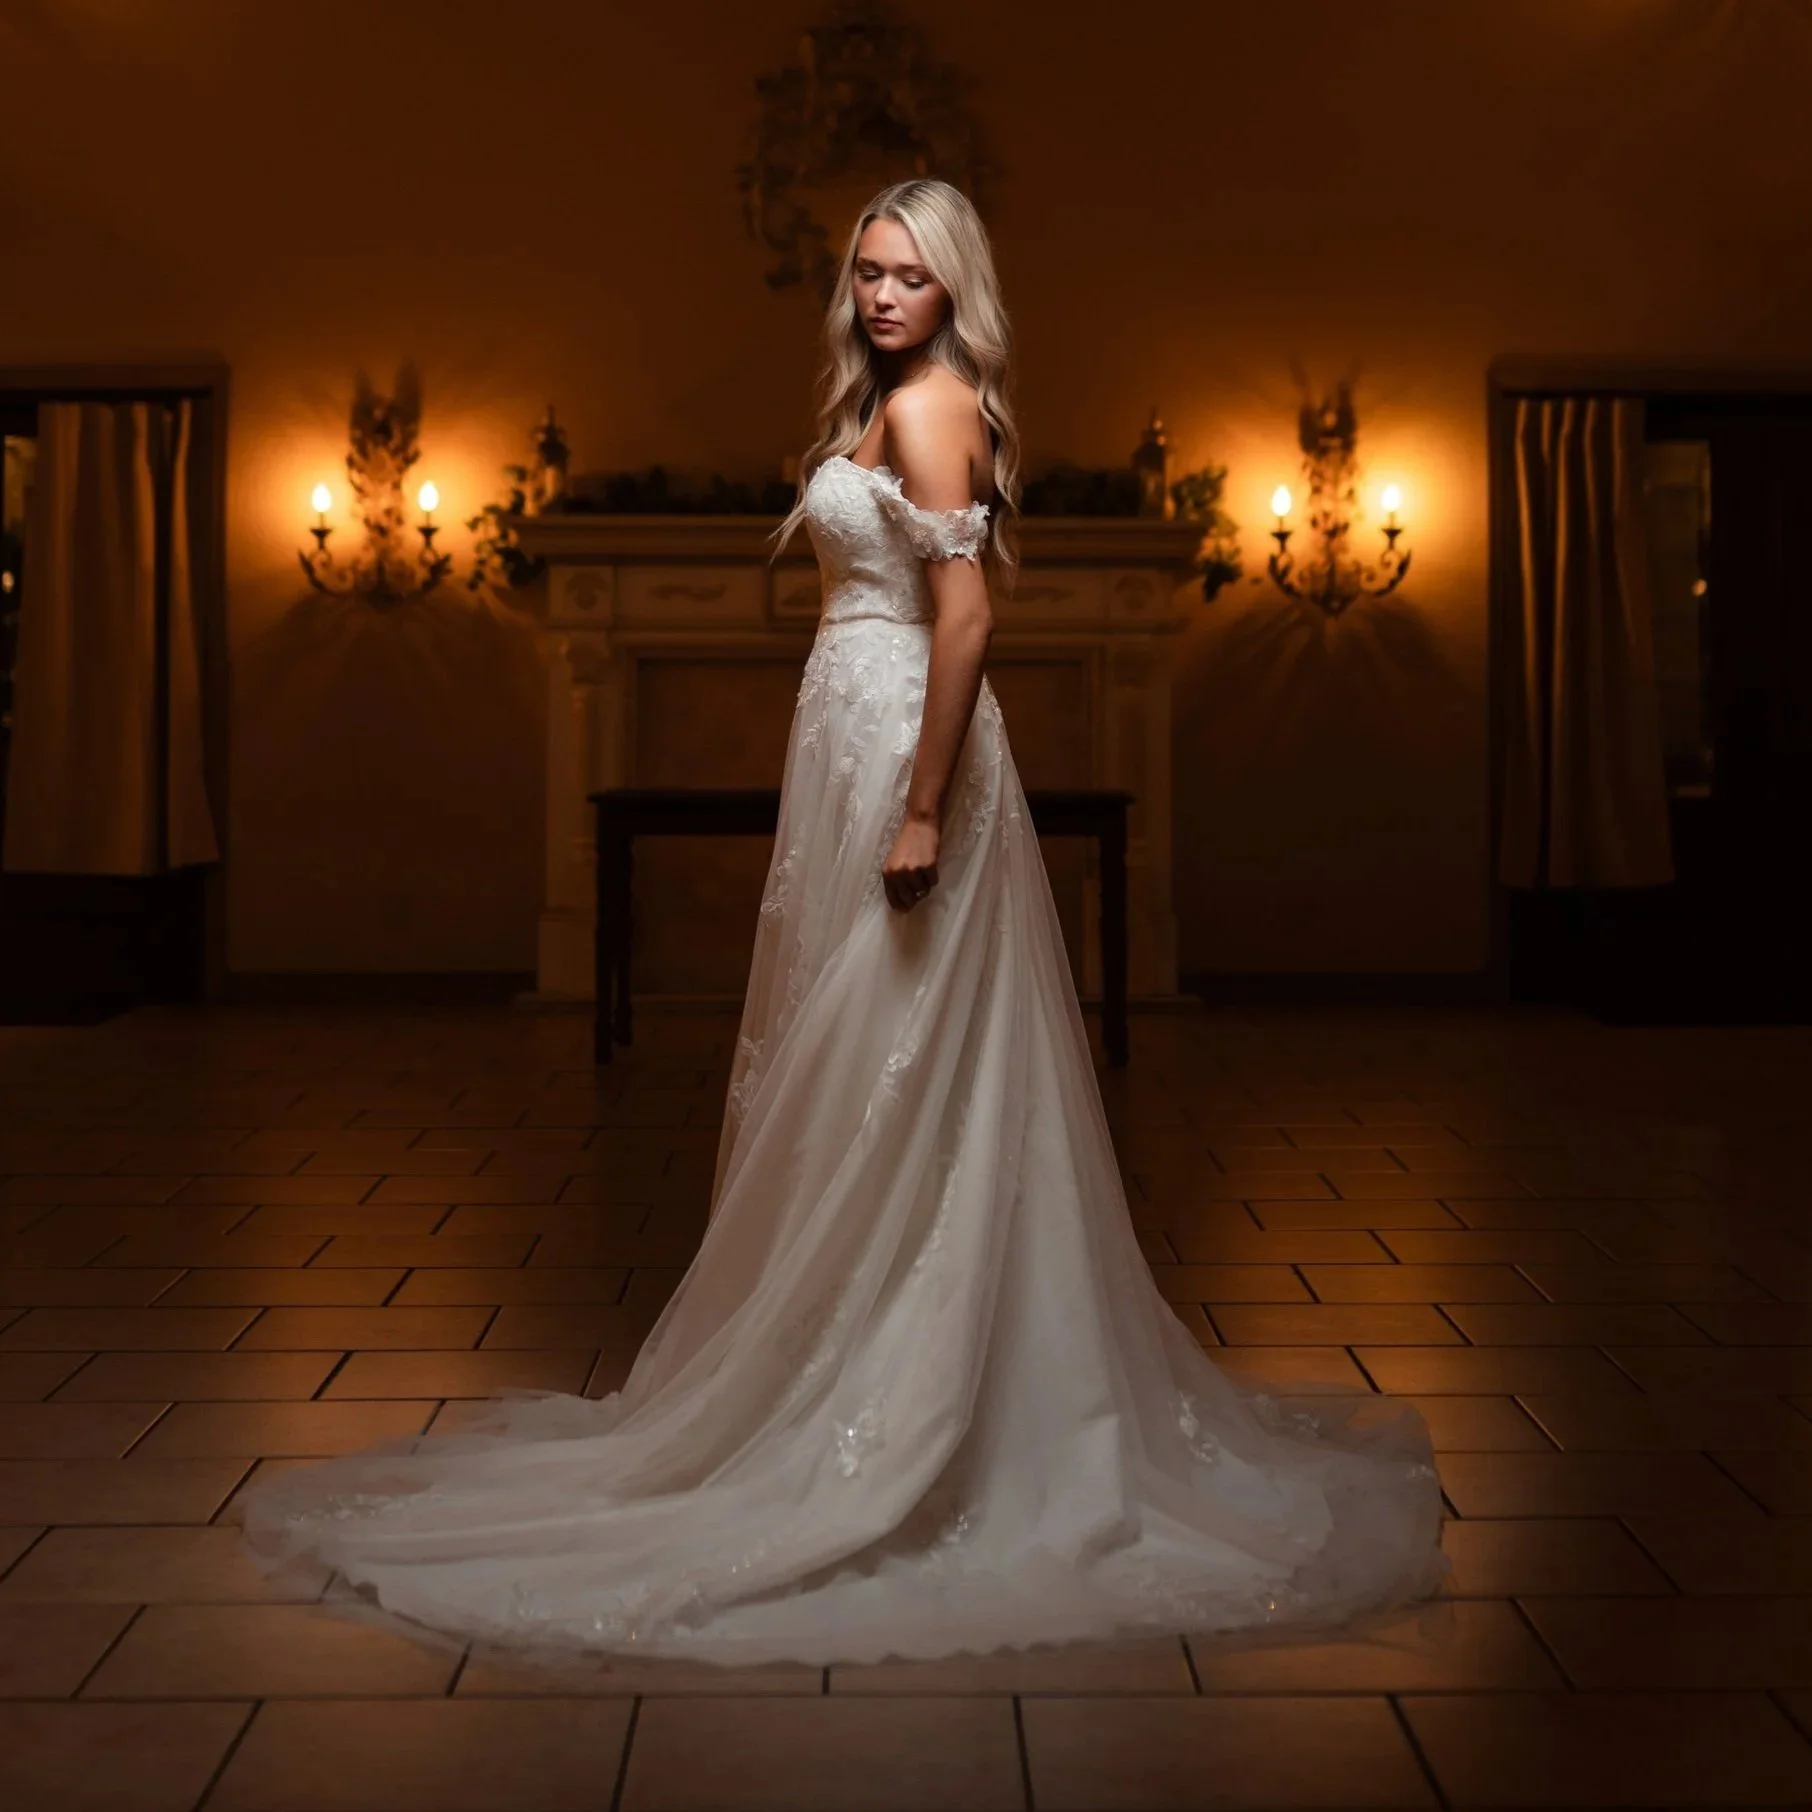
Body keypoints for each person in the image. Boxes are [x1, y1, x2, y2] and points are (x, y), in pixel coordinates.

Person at [240, 179, 1444, 1666]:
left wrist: (924, 801)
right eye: (868, 272)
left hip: (907, 750)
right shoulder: (893, 402)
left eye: (911, 277)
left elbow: (970, 617)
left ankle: (921, 1399)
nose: (883, 297)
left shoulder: (939, 406)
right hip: (855, 736)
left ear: (956, 292)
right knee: (851, 1064)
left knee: (899, 1064)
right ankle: (848, 1360)